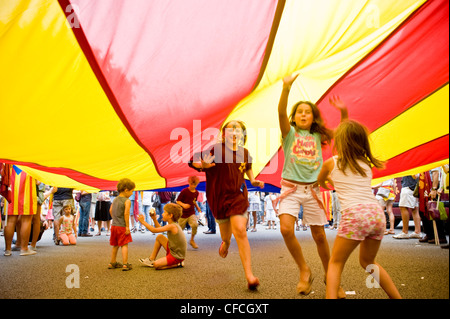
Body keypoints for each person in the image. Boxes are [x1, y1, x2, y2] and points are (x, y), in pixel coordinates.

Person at [277, 73, 348, 295]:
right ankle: (304, 270)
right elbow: (280, 112)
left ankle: (331, 277)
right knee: (286, 229)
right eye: (300, 112)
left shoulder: (318, 136)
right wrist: (286, 88)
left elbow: (342, 131)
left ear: (313, 117)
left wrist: (343, 112)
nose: (304, 114)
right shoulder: (289, 134)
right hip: (290, 189)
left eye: (308, 111)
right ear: (294, 118)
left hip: (313, 190)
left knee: (319, 236)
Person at [318, 119, 401, 299]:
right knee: (368, 262)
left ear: (340, 141)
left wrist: (329, 182)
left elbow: (319, 181)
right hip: (376, 214)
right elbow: (350, 182)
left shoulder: (331, 163)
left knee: (335, 263)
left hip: (355, 215)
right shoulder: (365, 164)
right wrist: (334, 183)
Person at [189, 120, 264, 290]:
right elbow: (193, 160)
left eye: (238, 129)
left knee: (240, 230)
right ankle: (226, 242)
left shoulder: (245, 152)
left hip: (238, 196)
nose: (235, 132)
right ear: (224, 134)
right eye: (231, 129)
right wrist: (203, 167)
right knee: (226, 235)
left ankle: (249, 276)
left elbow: (248, 168)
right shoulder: (216, 149)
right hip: (219, 198)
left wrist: (253, 180)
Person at [138, 203, 187, 270]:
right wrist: (154, 219)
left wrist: (143, 222)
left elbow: (154, 230)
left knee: (156, 265)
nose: (162, 214)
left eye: (164, 212)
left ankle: (177, 264)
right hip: (173, 249)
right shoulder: (172, 224)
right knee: (160, 237)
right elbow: (159, 228)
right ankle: (151, 259)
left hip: (176, 256)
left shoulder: (172, 226)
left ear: (170, 215)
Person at [3, 166, 37, 256]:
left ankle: (7, 249)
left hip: (11, 180)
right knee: (26, 218)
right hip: (27, 180)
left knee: (10, 219)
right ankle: (24, 248)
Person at [108, 178, 135, 271]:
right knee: (124, 245)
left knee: (115, 245)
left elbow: (110, 210)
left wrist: (115, 219)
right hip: (122, 226)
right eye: (132, 191)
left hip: (114, 225)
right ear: (126, 190)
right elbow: (126, 213)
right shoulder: (127, 201)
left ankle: (112, 262)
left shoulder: (115, 199)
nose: (132, 193)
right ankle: (125, 264)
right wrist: (127, 226)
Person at [393, 175, 421, 239]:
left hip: (408, 187)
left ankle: (405, 232)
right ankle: (417, 232)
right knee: (415, 209)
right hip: (414, 187)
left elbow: (415, 175)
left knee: (403, 207)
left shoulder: (411, 165)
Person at [177, 176, 201, 249]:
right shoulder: (184, 191)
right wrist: (183, 205)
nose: (192, 186)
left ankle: (192, 240)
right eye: (191, 184)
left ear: (197, 184)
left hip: (191, 213)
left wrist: (197, 206)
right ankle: (178, 242)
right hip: (182, 214)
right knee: (179, 230)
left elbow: (194, 201)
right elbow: (178, 201)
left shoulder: (196, 192)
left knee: (195, 225)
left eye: (194, 184)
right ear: (189, 183)